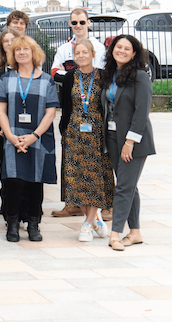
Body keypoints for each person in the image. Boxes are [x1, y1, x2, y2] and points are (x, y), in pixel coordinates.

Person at [0, 35, 58, 243]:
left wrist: (33, 136)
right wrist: (10, 136)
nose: (21, 53)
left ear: (34, 53)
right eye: (17, 50)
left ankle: (33, 224)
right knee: (13, 182)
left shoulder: (46, 80)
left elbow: (51, 112)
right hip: (13, 137)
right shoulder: (7, 79)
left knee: (35, 182)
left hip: (38, 138)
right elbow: (1, 110)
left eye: (26, 49)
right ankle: (12, 224)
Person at [50, 8, 109, 220]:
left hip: (96, 118)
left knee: (100, 164)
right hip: (74, 116)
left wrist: (71, 73)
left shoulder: (99, 47)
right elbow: (55, 73)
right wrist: (72, 75)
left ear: (88, 23)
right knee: (72, 164)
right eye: (74, 22)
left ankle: (105, 206)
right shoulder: (64, 48)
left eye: (82, 22)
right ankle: (73, 204)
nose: (78, 26)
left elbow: (99, 72)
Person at [100, 35, 155, 251]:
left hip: (133, 141)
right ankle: (135, 232)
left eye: (127, 48)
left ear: (134, 54)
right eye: (118, 47)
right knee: (129, 185)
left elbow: (142, 112)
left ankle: (115, 234)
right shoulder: (110, 74)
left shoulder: (140, 76)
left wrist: (130, 142)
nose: (121, 51)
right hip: (113, 137)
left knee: (123, 186)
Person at [58, 40, 114, 243]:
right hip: (74, 134)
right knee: (75, 180)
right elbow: (65, 106)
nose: (81, 56)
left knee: (95, 180)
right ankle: (95, 219)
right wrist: (63, 131)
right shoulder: (70, 77)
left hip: (97, 135)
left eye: (84, 52)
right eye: (77, 53)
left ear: (92, 54)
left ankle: (87, 224)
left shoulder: (104, 76)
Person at [0, 28, 15, 214]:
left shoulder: (27, 68)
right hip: (1, 124)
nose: (9, 43)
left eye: (12, 40)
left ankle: (23, 207)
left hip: (24, 125)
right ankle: (7, 204)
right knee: (4, 166)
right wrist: (3, 126)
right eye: (5, 41)